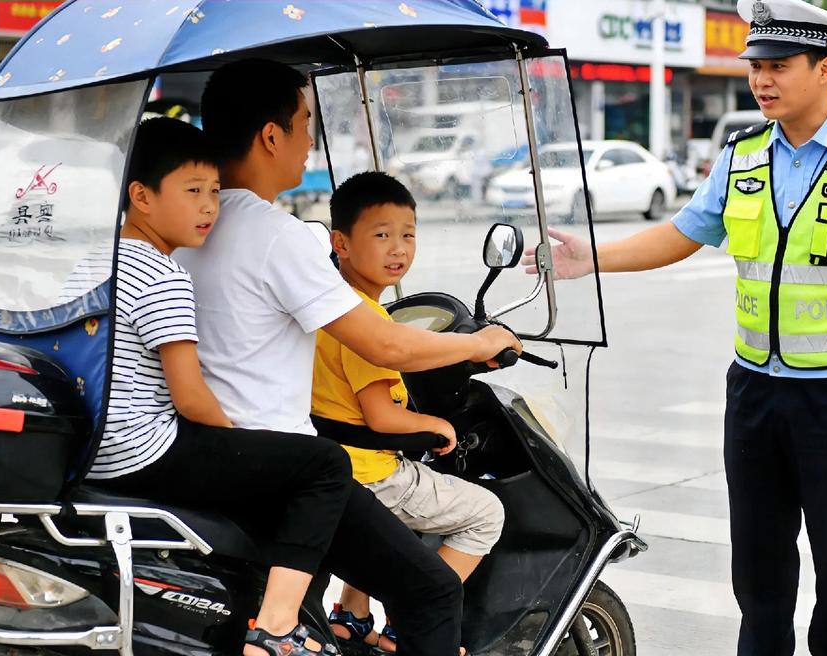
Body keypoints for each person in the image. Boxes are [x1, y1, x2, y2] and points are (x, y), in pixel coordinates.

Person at [524, 0, 827, 654]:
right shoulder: (743, 154)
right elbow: (684, 234)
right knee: (758, 565)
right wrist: (589, 260)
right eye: (755, 68)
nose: (761, 81)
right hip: (754, 391)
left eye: (778, 67)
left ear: (824, 67)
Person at [173, 59, 521, 656]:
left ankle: (343, 621)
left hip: (210, 455)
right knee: (431, 590)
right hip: (283, 475)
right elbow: (385, 343)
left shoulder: (185, 226)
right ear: (271, 136)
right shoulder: (277, 235)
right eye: (305, 122)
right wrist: (479, 343)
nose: (310, 140)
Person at [85, 117, 354, 656]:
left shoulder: (97, 260)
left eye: (213, 192)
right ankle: (277, 628)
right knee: (323, 464)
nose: (210, 206)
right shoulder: (163, 275)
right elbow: (190, 396)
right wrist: (241, 446)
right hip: (145, 450)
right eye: (192, 192)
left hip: (95, 450)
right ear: (140, 195)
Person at [310, 172, 505, 653]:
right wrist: (433, 424)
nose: (397, 248)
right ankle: (414, 618)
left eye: (407, 234)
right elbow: (382, 418)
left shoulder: (331, 306)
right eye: (381, 235)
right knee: (485, 513)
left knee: (411, 502)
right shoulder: (367, 322)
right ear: (342, 244)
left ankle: (352, 614)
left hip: (335, 463)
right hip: (369, 474)